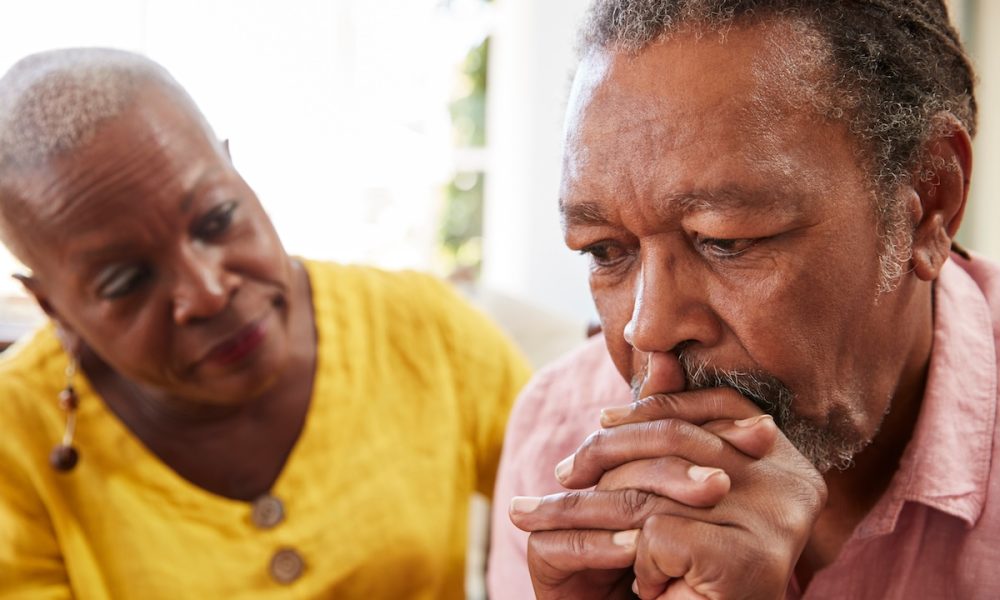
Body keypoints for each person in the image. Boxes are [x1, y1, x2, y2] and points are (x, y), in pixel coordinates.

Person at [488, 0, 1000, 598]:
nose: (647, 330)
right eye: (605, 251)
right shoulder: (556, 443)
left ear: (929, 202)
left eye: (726, 240)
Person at [0, 48, 531, 598]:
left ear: (239, 176)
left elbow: (566, 515)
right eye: (126, 281)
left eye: (218, 218)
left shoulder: (425, 330)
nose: (208, 293)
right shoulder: (13, 441)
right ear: (53, 307)